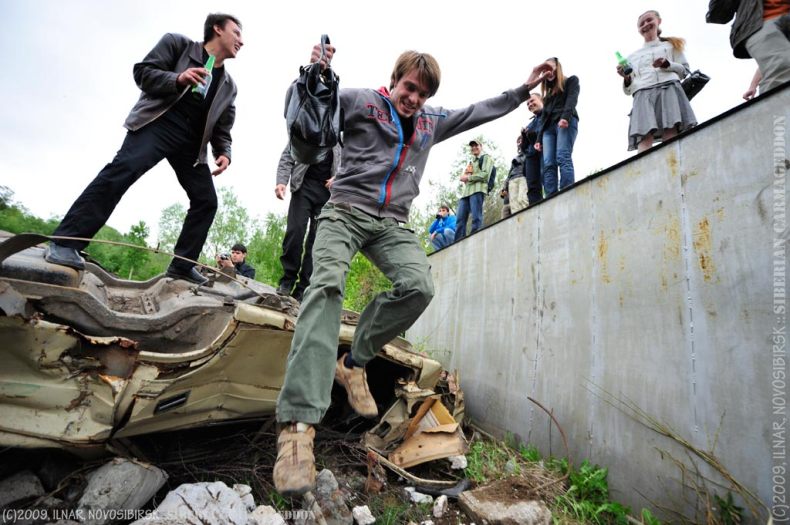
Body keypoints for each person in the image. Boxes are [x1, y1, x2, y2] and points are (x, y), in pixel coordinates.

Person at [272, 42, 551, 497]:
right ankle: (298, 429)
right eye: (409, 88)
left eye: (422, 92)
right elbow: (308, 112)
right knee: (324, 289)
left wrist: (524, 90)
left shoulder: (431, 121)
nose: (414, 98)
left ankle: (355, 362)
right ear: (395, 80)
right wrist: (315, 74)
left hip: (391, 223)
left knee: (419, 286)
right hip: (343, 210)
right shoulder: (361, 101)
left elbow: (480, 110)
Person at [44, 14, 244, 286]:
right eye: (237, 32)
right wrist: (178, 79)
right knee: (122, 170)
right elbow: (143, 73)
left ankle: (182, 266)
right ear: (217, 29)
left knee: (206, 200)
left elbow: (223, 126)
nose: (241, 41)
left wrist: (224, 151)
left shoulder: (229, 86)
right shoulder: (178, 45)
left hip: (192, 143)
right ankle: (66, 242)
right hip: (158, 123)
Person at [618, 10, 697, 153]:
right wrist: (626, 78)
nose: (645, 24)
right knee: (644, 134)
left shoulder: (672, 46)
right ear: (638, 30)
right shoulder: (633, 57)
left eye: (649, 20)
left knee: (671, 128)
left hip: (669, 88)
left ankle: (671, 163)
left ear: (658, 21)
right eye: (641, 24)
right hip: (642, 93)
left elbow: (685, 71)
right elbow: (628, 89)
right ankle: (642, 170)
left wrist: (668, 65)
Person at [275, 144, 341, 302]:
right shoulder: (308, 126)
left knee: (316, 242)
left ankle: (303, 288)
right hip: (304, 186)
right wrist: (281, 181)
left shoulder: (344, 137)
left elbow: (353, 163)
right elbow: (288, 155)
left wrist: (339, 177)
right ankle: (287, 280)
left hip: (327, 194)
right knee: (295, 232)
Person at [707, 0, 790, 93]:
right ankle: (774, 104)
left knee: (780, 68)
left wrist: (753, 85)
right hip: (759, 24)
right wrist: (753, 85)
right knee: (780, 72)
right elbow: (718, 15)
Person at [534, 58, 580, 196]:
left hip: (564, 122)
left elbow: (572, 99)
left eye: (550, 66)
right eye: (544, 69)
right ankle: (551, 197)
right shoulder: (547, 96)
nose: (547, 70)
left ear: (557, 67)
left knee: (562, 156)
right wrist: (538, 139)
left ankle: (567, 191)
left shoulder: (571, 81)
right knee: (548, 163)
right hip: (548, 129)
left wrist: (565, 117)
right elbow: (543, 118)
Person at [455, 140, 492, 242]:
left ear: (481, 146)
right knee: (459, 220)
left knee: (476, 218)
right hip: (466, 193)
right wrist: (464, 177)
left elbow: (485, 175)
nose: (474, 147)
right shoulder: (471, 162)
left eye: (476, 145)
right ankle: (458, 242)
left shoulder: (486, 158)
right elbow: (466, 176)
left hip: (477, 190)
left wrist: (468, 178)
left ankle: (476, 240)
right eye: (472, 146)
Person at [524, 93, 545, 205]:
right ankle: (535, 207)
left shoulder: (548, 114)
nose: (530, 104)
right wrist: (524, 136)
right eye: (528, 104)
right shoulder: (530, 124)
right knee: (532, 185)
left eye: (532, 101)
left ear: (541, 100)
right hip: (531, 156)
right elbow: (524, 147)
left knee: (546, 176)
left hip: (544, 151)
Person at [503, 135, 528, 215]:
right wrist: (505, 187)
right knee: (514, 206)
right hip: (512, 180)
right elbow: (509, 173)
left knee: (522, 200)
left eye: (521, 140)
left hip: (523, 178)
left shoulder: (529, 152)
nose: (519, 143)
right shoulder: (515, 157)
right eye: (518, 142)